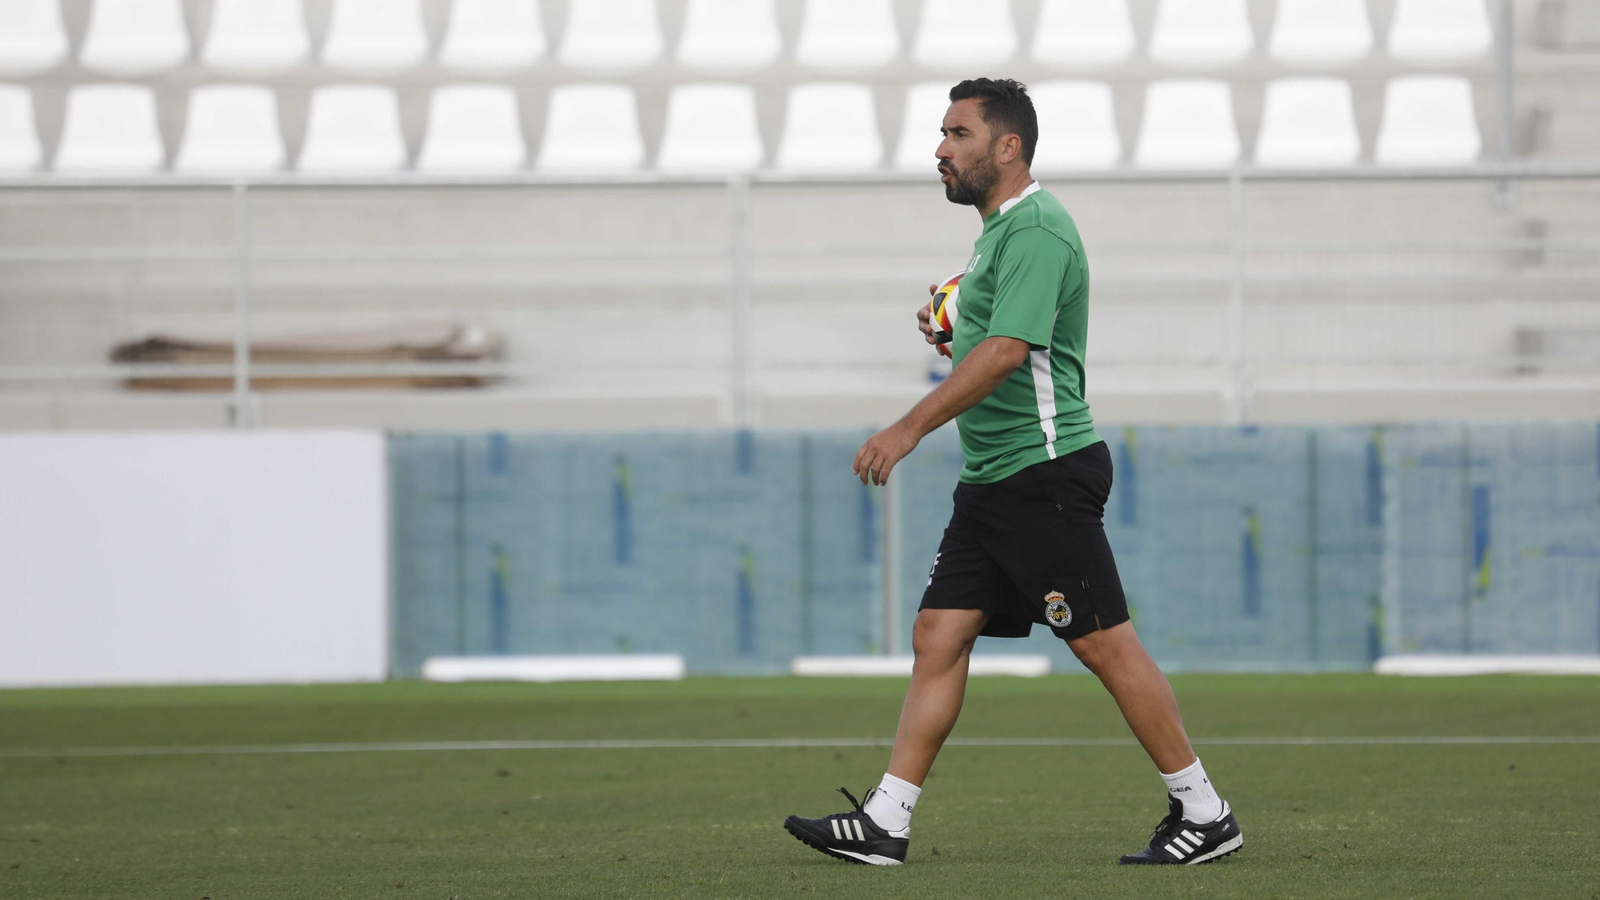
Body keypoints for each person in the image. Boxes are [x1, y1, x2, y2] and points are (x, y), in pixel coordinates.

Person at [782, 78, 1243, 868]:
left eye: (957, 134)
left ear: (1008, 147)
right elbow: (988, 338)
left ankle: (1205, 813)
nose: (940, 149)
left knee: (1104, 646)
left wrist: (907, 428)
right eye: (941, 133)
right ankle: (887, 821)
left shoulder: (1037, 229)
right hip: (996, 480)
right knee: (940, 633)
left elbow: (1005, 353)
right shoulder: (998, 235)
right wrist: (951, 332)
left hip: (1044, 474)